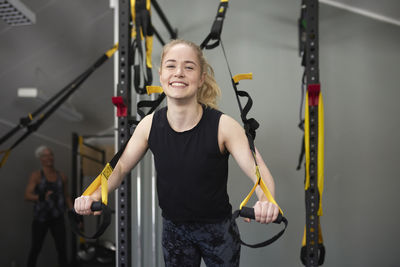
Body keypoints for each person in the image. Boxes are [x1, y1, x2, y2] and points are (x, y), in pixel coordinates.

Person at [74, 39, 280, 266]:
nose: (179, 73)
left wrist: (266, 200)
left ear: (201, 78)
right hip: (174, 231)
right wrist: (93, 194)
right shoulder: (148, 125)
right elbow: (120, 166)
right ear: (161, 74)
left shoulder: (224, 126)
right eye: (171, 66)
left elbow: (256, 169)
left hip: (218, 230)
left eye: (189, 67)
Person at [25, 145, 73, 267]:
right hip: (41, 218)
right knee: (36, 248)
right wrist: (41, 197)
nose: (49, 157)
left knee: (62, 249)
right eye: (45, 155)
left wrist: (75, 214)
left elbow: (66, 196)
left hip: (57, 217)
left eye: (50, 154)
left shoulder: (61, 176)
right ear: (40, 159)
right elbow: (27, 195)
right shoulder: (36, 176)